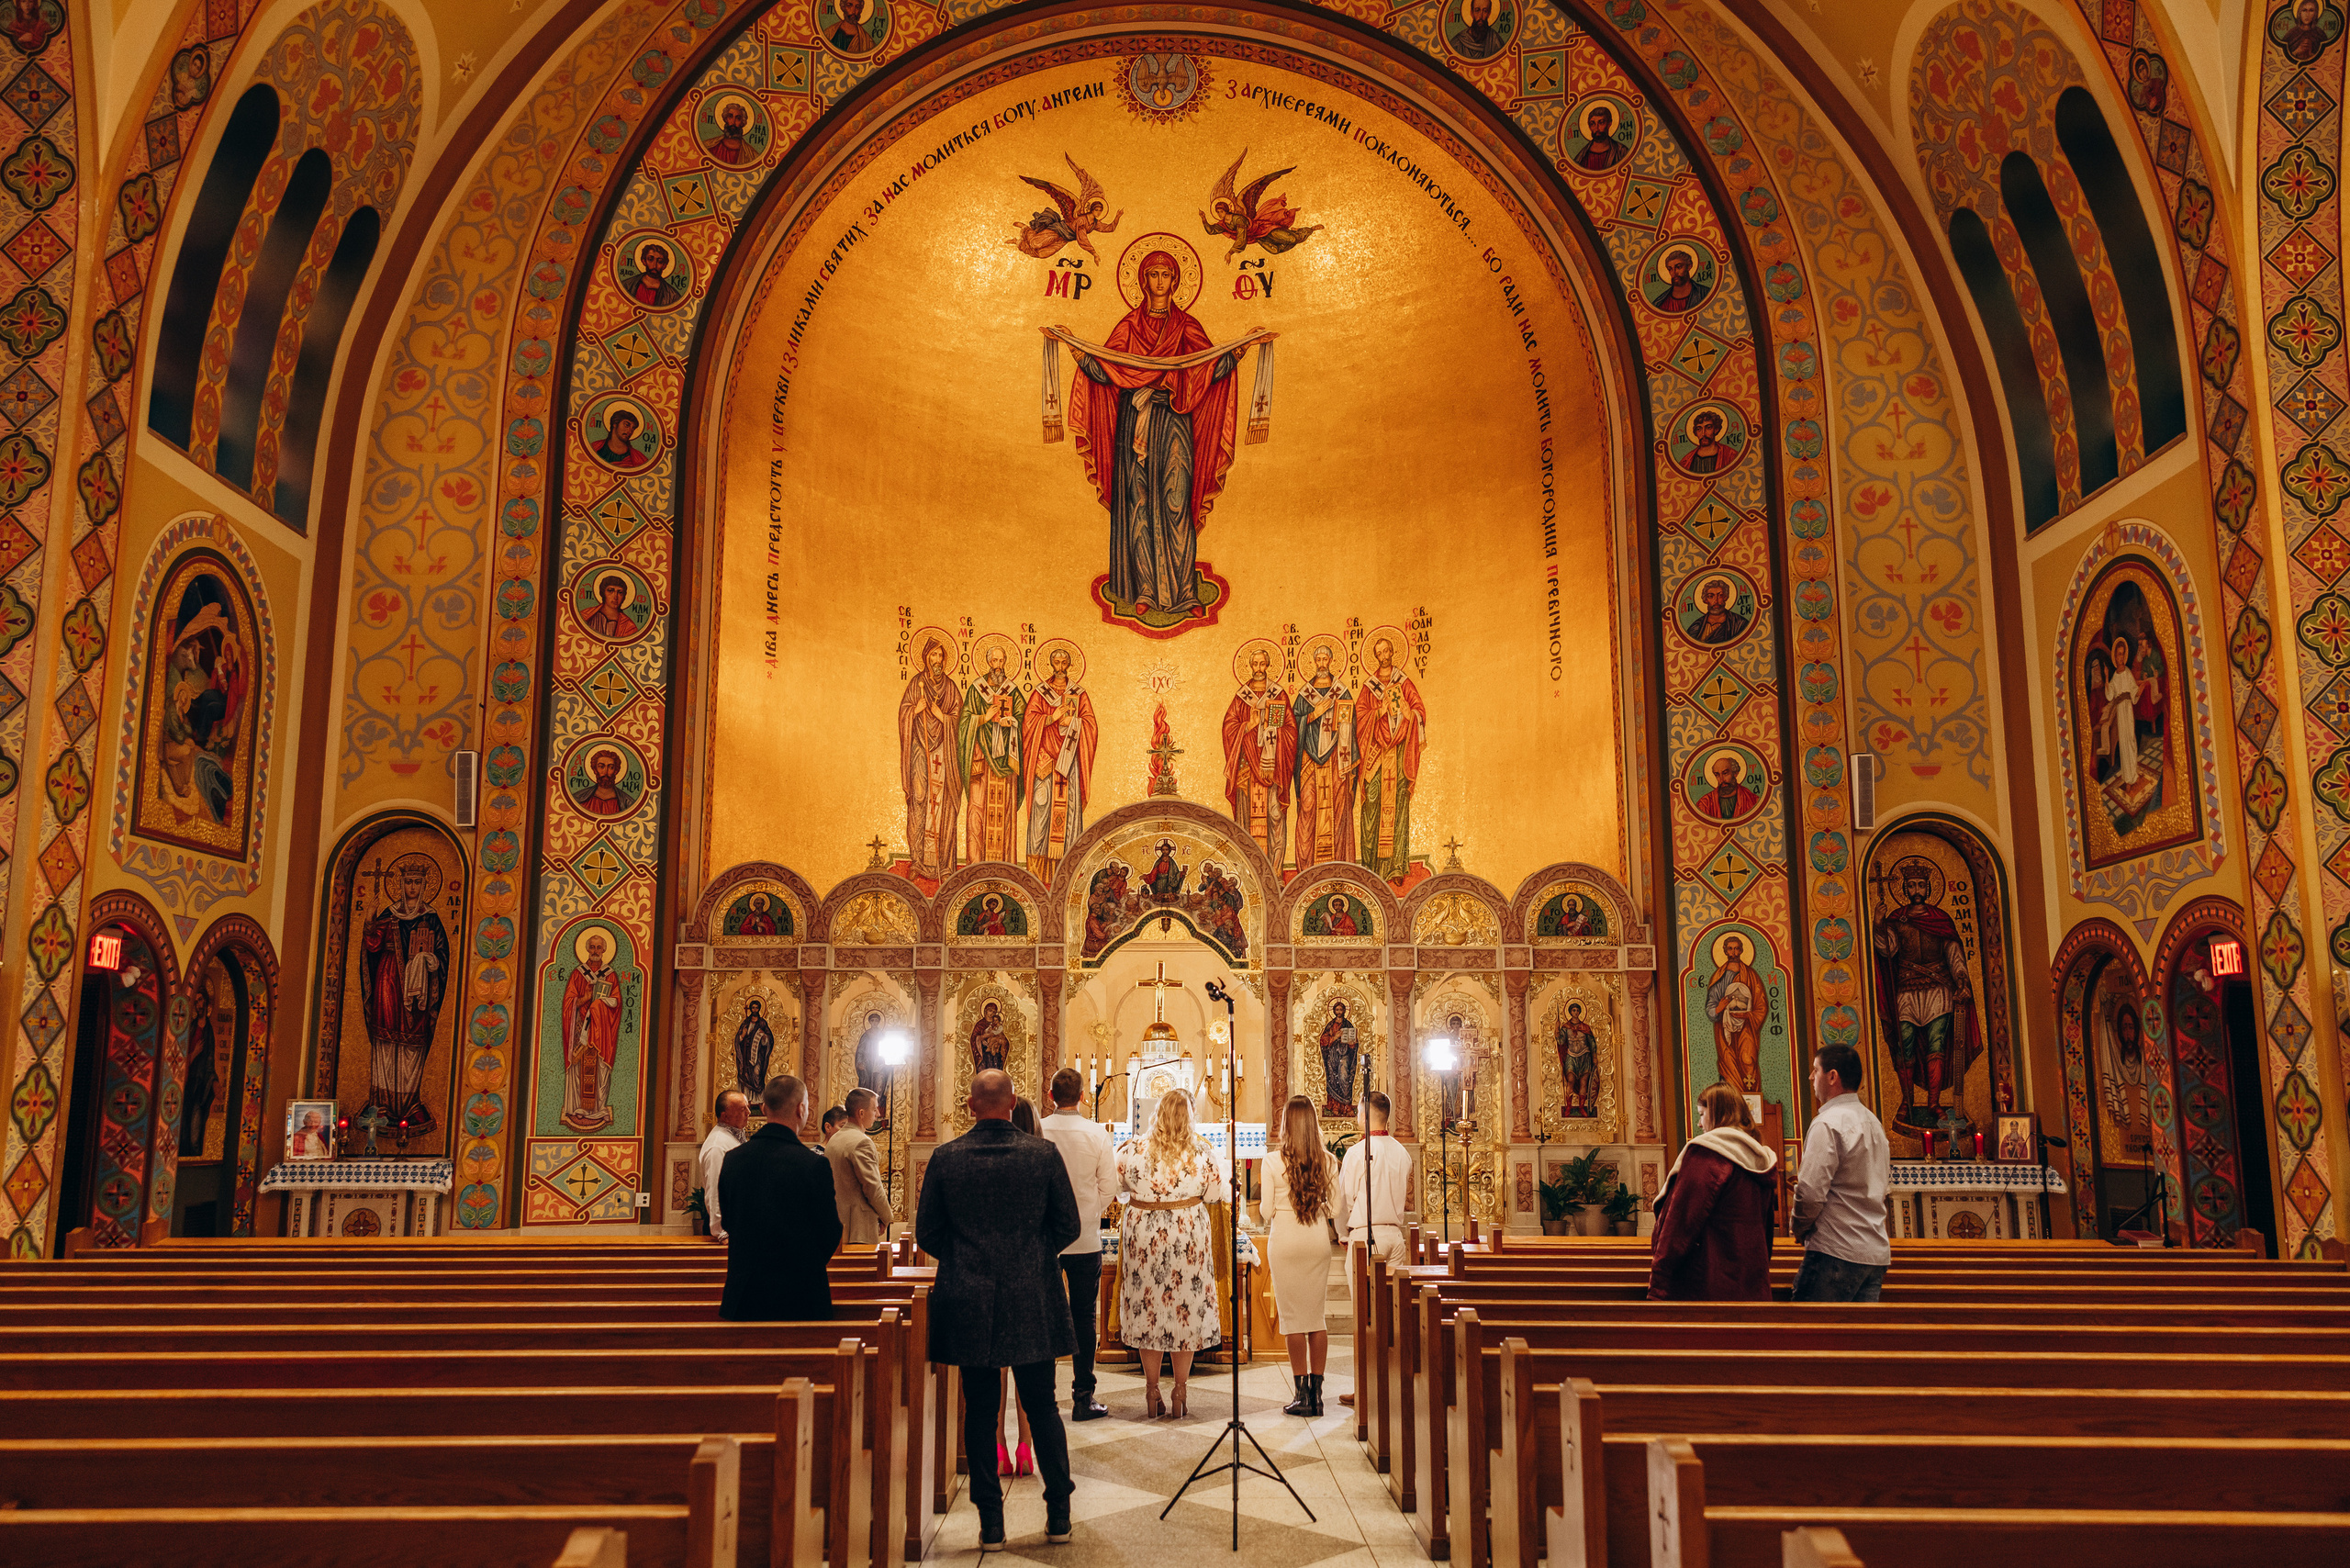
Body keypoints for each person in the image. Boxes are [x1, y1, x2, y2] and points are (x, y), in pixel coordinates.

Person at [915, 1069, 1081, 1551]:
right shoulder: (1042, 1154)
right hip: (1031, 1292)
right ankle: (1059, 1515)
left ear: (970, 1106)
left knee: (980, 1409)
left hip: (968, 1294)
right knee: (1043, 1406)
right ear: (1013, 1103)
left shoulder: (946, 1158)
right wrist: (1028, 1256)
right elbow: (1067, 1225)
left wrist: (970, 1257)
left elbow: (929, 1232)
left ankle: (991, 1523)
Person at [1117, 1089, 1223, 1417]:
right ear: (1190, 1115)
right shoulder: (1202, 1151)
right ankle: (1180, 1390)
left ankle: (1152, 1391)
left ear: (1156, 1113)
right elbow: (1215, 1193)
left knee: (1149, 1307)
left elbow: (1117, 1187)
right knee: (1185, 1310)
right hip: (1187, 1234)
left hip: (1144, 1237)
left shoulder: (1132, 1149)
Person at [719, 1075, 841, 1321]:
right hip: (800, 1298)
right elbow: (829, 1232)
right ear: (801, 1109)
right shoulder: (813, 1165)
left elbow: (729, 1221)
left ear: (764, 1108)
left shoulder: (733, 1159)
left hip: (745, 1297)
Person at [1647, 1082, 1776, 1301]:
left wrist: (1659, 1282)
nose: (1700, 1123)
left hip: (1709, 1284)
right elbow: (1766, 1230)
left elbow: (1679, 1222)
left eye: (1702, 1114)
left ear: (1717, 1114)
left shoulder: (1707, 1155)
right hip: (1751, 1282)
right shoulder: (1760, 1157)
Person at [1040, 1068, 1118, 1424]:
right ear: (1083, 1095)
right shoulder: (1096, 1133)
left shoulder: (1038, 1129)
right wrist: (1087, 1213)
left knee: (1043, 1312)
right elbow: (1109, 1187)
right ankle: (1083, 1398)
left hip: (1043, 1239)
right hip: (1085, 1236)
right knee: (1083, 1316)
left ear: (1051, 1095)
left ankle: (1044, 1396)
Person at [1792, 1044, 1892, 1303]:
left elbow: (1810, 1193)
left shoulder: (1828, 1122)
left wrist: (1798, 1228)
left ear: (1832, 1076)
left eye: (1816, 1070)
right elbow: (1881, 1189)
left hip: (1836, 1251)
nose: (1811, 1077)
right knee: (1857, 1341)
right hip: (1874, 1253)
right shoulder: (1873, 1123)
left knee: (1811, 1337)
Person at [1334, 1090, 1412, 1407]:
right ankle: (1392, 1384)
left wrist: (1342, 1233)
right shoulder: (1402, 1153)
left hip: (1367, 1238)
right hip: (1394, 1236)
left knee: (1365, 1316)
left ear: (1364, 1116)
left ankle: (1365, 1388)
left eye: (1358, 1112)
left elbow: (1344, 1201)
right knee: (1392, 1313)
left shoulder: (1356, 1153)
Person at [1263, 1093, 1337, 1416]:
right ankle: (1319, 1396)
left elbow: (1265, 1211)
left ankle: (1301, 1395)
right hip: (1316, 1240)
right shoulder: (1329, 1160)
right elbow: (1336, 1207)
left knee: (1293, 1321)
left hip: (1286, 1241)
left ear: (1286, 1125)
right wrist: (1318, 1206)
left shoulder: (1271, 1161)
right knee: (1315, 1318)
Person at [827, 1087, 895, 1249]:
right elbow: (872, 1187)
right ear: (861, 1113)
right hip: (857, 1229)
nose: (878, 1114)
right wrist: (887, 1216)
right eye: (874, 1109)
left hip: (836, 1224)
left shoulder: (834, 1139)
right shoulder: (861, 1142)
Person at [699, 1089, 749, 1244]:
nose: (748, 1112)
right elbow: (714, 1189)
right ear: (724, 1116)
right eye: (742, 1109)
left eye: (748, 1107)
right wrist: (721, 1233)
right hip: (726, 1229)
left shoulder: (733, 1137)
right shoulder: (717, 1146)